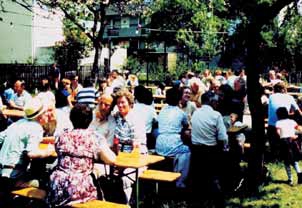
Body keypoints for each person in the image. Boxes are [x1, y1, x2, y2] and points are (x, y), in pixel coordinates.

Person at [46, 104, 116, 207]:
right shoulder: (95, 137)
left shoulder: (61, 135)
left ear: (71, 118)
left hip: (57, 187)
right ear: (90, 120)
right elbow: (111, 160)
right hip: (80, 189)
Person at [0, 98, 54, 201]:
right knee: (46, 184)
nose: (48, 114)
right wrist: (48, 151)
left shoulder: (17, 124)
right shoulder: (36, 127)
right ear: (39, 116)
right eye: (45, 112)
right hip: (13, 177)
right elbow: (31, 153)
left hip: (2, 172)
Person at [190, 91, 228, 207]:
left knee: (199, 177)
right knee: (215, 177)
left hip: (196, 151)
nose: (217, 102)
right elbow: (223, 137)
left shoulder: (195, 113)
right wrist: (224, 148)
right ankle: (219, 202)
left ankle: (199, 200)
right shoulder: (216, 115)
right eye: (216, 101)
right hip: (210, 151)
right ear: (212, 101)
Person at [155, 87, 191, 188]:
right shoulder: (180, 113)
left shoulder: (162, 110)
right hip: (173, 144)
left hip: (160, 144)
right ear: (179, 98)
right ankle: (180, 180)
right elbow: (186, 126)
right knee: (187, 151)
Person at [267, 82, 302, 160]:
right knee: (298, 130)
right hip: (284, 129)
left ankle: (275, 156)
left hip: (271, 128)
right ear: (283, 89)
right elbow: (298, 112)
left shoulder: (271, 97)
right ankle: (297, 153)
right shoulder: (289, 97)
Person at [275, 107, 302, 185]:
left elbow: (278, 132)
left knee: (286, 162)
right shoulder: (292, 121)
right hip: (293, 142)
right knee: (294, 160)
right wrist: (296, 135)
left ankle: (290, 179)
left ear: (278, 115)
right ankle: (299, 174)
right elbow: (299, 129)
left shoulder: (278, 123)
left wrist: (283, 137)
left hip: (284, 143)